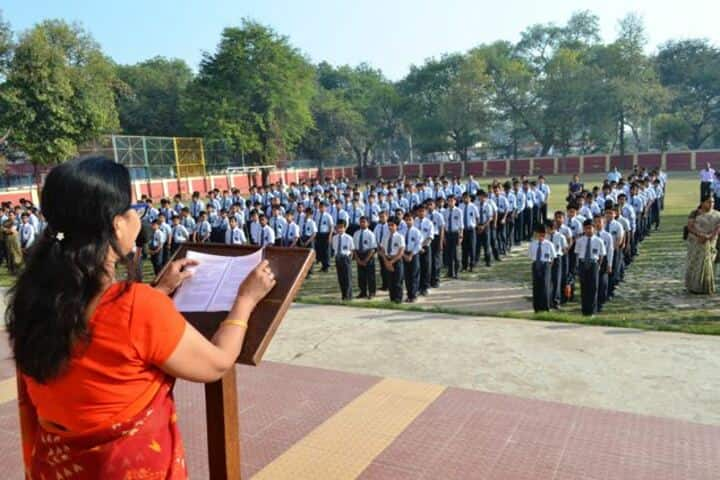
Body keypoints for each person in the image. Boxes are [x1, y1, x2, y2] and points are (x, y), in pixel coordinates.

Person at [6, 156, 276, 479]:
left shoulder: (33, 301)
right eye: (132, 208)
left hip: (62, 469)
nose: (137, 216)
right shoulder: (136, 307)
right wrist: (245, 300)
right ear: (117, 224)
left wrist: (159, 290)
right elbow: (216, 363)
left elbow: (99, 330)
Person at [685, 194, 720, 294]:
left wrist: (709, 237)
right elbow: (690, 227)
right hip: (696, 242)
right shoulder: (695, 213)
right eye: (709, 202)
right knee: (695, 264)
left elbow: (718, 227)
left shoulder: (717, 214)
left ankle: (706, 286)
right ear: (702, 203)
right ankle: (694, 286)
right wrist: (700, 235)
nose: (711, 204)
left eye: (713, 202)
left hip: (711, 243)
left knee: (708, 264)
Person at [575, 219, 607, 316]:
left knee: (593, 288)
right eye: (586, 228)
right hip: (583, 263)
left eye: (590, 228)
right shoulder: (580, 240)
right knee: (584, 287)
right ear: (583, 229)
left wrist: (598, 265)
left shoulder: (599, 241)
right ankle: (584, 310)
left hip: (594, 264)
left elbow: (601, 255)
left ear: (594, 229)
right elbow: (577, 254)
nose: (588, 230)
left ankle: (592, 311)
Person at [528, 224, 556, 312]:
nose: (541, 236)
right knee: (536, 286)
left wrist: (547, 266)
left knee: (545, 286)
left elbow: (553, 257)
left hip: (546, 264)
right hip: (536, 264)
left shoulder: (549, 244)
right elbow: (530, 255)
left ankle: (545, 306)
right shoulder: (533, 244)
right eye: (539, 234)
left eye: (543, 234)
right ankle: (537, 307)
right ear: (536, 234)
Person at [380, 216, 405, 303]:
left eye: (392, 225)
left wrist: (391, 262)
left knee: (397, 281)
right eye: (389, 225)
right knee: (390, 281)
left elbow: (401, 252)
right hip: (387, 259)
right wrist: (386, 261)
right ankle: (392, 299)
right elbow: (382, 250)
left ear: (397, 226)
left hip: (396, 260)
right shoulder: (385, 236)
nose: (390, 227)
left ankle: (398, 299)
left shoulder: (400, 237)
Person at [353, 216, 377, 299]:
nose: (362, 223)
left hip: (368, 255)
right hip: (359, 255)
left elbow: (373, 249)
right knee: (361, 276)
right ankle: (363, 292)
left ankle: (372, 292)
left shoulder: (371, 234)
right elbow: (354, 248)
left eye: (364, 222)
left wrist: (366, 259)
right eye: (361, 222)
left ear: (368, 223)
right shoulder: (356, 233)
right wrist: (357, 259)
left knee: (370, 276)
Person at [402, 212, 423, 302]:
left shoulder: (416, 232)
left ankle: (414, 295)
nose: (408, 222)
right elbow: (400, 245)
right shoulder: (401, 231)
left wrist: (410, 255)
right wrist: (404, 254)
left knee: (414, 275)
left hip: (413, 255)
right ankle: (409, 294)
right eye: (406, 220)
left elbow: (418, 245)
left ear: (413, 220)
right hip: (404, 254)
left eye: (410, 220)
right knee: (407, 276)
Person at [332, 219, 354, 301]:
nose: (339, 229)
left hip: (345, 258)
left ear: (345, 228)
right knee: (341, 278)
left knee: (347, 278)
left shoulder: (349, 238)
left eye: (341, 227)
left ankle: (348, 296)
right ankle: (343, 294)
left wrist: (348, 259)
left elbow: (352, 250)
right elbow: (334, 248)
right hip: (338, 258)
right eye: (338, 227)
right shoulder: (334, 238)